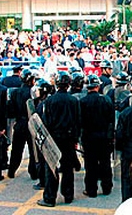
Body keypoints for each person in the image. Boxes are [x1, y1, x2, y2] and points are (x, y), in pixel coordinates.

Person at [37, 71, 81, 207]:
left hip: (54, 139)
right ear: (68, 84)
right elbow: (77, 122)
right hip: (68, 139)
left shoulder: (50, 101)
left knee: (51, 169)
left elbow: (46, 122)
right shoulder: (74, 100)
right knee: (68, 168)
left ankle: (50, 198)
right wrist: (76, 140)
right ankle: (68, 195)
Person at [80, 74, 115, 198]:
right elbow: (112, 120)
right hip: (104, 137)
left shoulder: (83, 102)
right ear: (98, 86)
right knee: (105, 162)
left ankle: (91, 190)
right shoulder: (106, 100)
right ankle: (107, 187)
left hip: (89, 137)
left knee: (90, 164)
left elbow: (80, 122)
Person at [7, 68, 37, 180]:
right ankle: (33, 172)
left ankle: (12, 171)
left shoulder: (15, 92)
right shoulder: (33, 92)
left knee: (16, 149)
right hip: (31, 123)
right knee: (33, 150)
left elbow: (10, 111)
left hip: (19, 123)